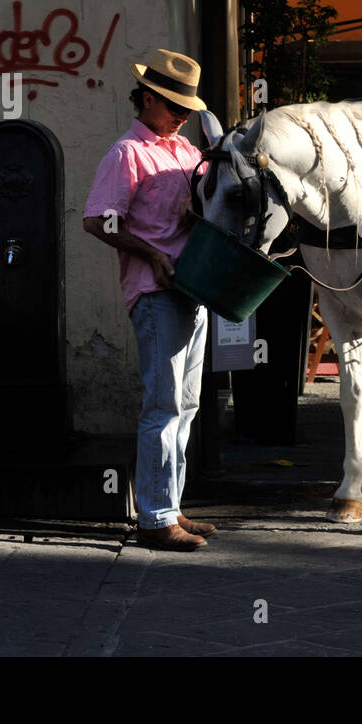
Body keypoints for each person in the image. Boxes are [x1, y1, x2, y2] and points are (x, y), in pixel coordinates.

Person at [83, 48, 218, 551]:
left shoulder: (185, 150)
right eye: (173, 105)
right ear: (146, 98)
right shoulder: (127, 153)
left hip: (192, 288)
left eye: (186, 106)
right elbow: (98, 220)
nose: (182, 115)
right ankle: (156, 518)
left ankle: (171, 506)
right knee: (163, 405)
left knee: (185, 405)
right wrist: (152, 253)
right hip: (156, 290)